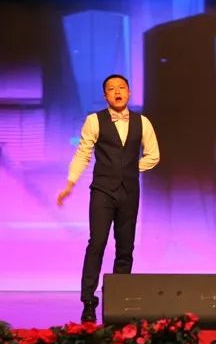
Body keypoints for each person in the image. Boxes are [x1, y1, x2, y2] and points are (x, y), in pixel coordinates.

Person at [57, 74, 160, 322]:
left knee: (125, 247)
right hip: (102, 191)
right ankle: (88, 302)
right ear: (105, 96)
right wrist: (70, 183)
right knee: (97, 243)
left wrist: (130, 169)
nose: (117, 92)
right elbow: (83, 153)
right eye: (112, 89)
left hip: (129, 192)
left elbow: (153, 155)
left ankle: (118, 301)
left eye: (122, 87)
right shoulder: (94, 121)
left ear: (129, 93)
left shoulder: (142, 122)